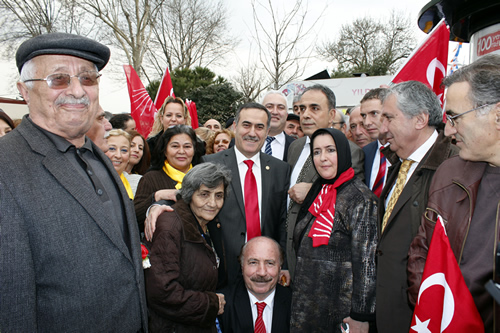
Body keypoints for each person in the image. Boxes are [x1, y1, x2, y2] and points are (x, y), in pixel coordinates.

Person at [0, 32, 147, 331]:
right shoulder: (6, 167)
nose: (78, 91)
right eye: (59, 79)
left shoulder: (99, 155)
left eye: (88, 79)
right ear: (24, 91)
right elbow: (10, 303)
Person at [408, 54, 500, 332]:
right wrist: (438, 312)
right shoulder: (449, 174)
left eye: (455, 117)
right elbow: (420, 254)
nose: (447, 130)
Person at [375, 80, 458, 333]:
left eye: (389, 117)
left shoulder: (453, 168)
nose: (381, 127)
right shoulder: (399, 161)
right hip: (389, 309)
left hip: (424, 314)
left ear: (420, 119)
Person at [290, 128, 377, 332]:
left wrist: (361, 316)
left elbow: (367, 264)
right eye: (317, 152)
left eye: (330, 150)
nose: (323, 158)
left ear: (344, 153)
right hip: (307, 306)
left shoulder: (361, 199)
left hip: (341, 313)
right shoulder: (318, 190)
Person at [203, 102, 291, 286]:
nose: (252, 133)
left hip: (265, 271)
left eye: (259, 127)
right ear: (235, 127)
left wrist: (283, 262)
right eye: (246, 125)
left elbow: (283, 220)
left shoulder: (280, 169)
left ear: (267, 132)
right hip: (223, 270)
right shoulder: (210, 164)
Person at [286, 84, 365, 279]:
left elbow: (351, 202)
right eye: (301, 109)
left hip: (322, 257)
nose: (305, 115)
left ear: (331, 115)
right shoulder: (294, 147)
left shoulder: (350, 152)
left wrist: (313, 192)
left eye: (314, 108)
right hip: (288, 252)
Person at [145, 163, 230, 332]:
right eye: (204, 194)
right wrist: (211, 303)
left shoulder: (210, 223)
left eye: (219, 196)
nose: (212, 203)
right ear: (190, 195)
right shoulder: (170, 226)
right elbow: (162, 293)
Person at [135, 125, 203, 231]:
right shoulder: (150, 178)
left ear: (194, 150)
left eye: (187, 147)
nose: (181, 151)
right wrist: (156, 196)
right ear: (165, 150)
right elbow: (134, 218)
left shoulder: (205, 176)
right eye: (175, 146)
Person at [218, 236, 292, 333]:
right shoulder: (222, 305)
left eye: (269, 263)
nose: (262, 272)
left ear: (280, 268)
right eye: (253, 262)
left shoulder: (296, 305)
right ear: (242, 266)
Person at [360, 88, 391, 196]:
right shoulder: (366, 152)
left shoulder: (406, 151)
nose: (367, 122)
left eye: (374, 113)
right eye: (363, 116)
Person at [261, 91, 295, 161]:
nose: (275, 112)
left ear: (286, 115)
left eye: (281, 107)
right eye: (269, 106)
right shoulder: (242, 143)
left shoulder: (296, 147)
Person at [105, 129, 134, 198]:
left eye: (124, 150)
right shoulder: (92, 182)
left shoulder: (135, 185)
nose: (118, 155)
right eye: (112, 149)